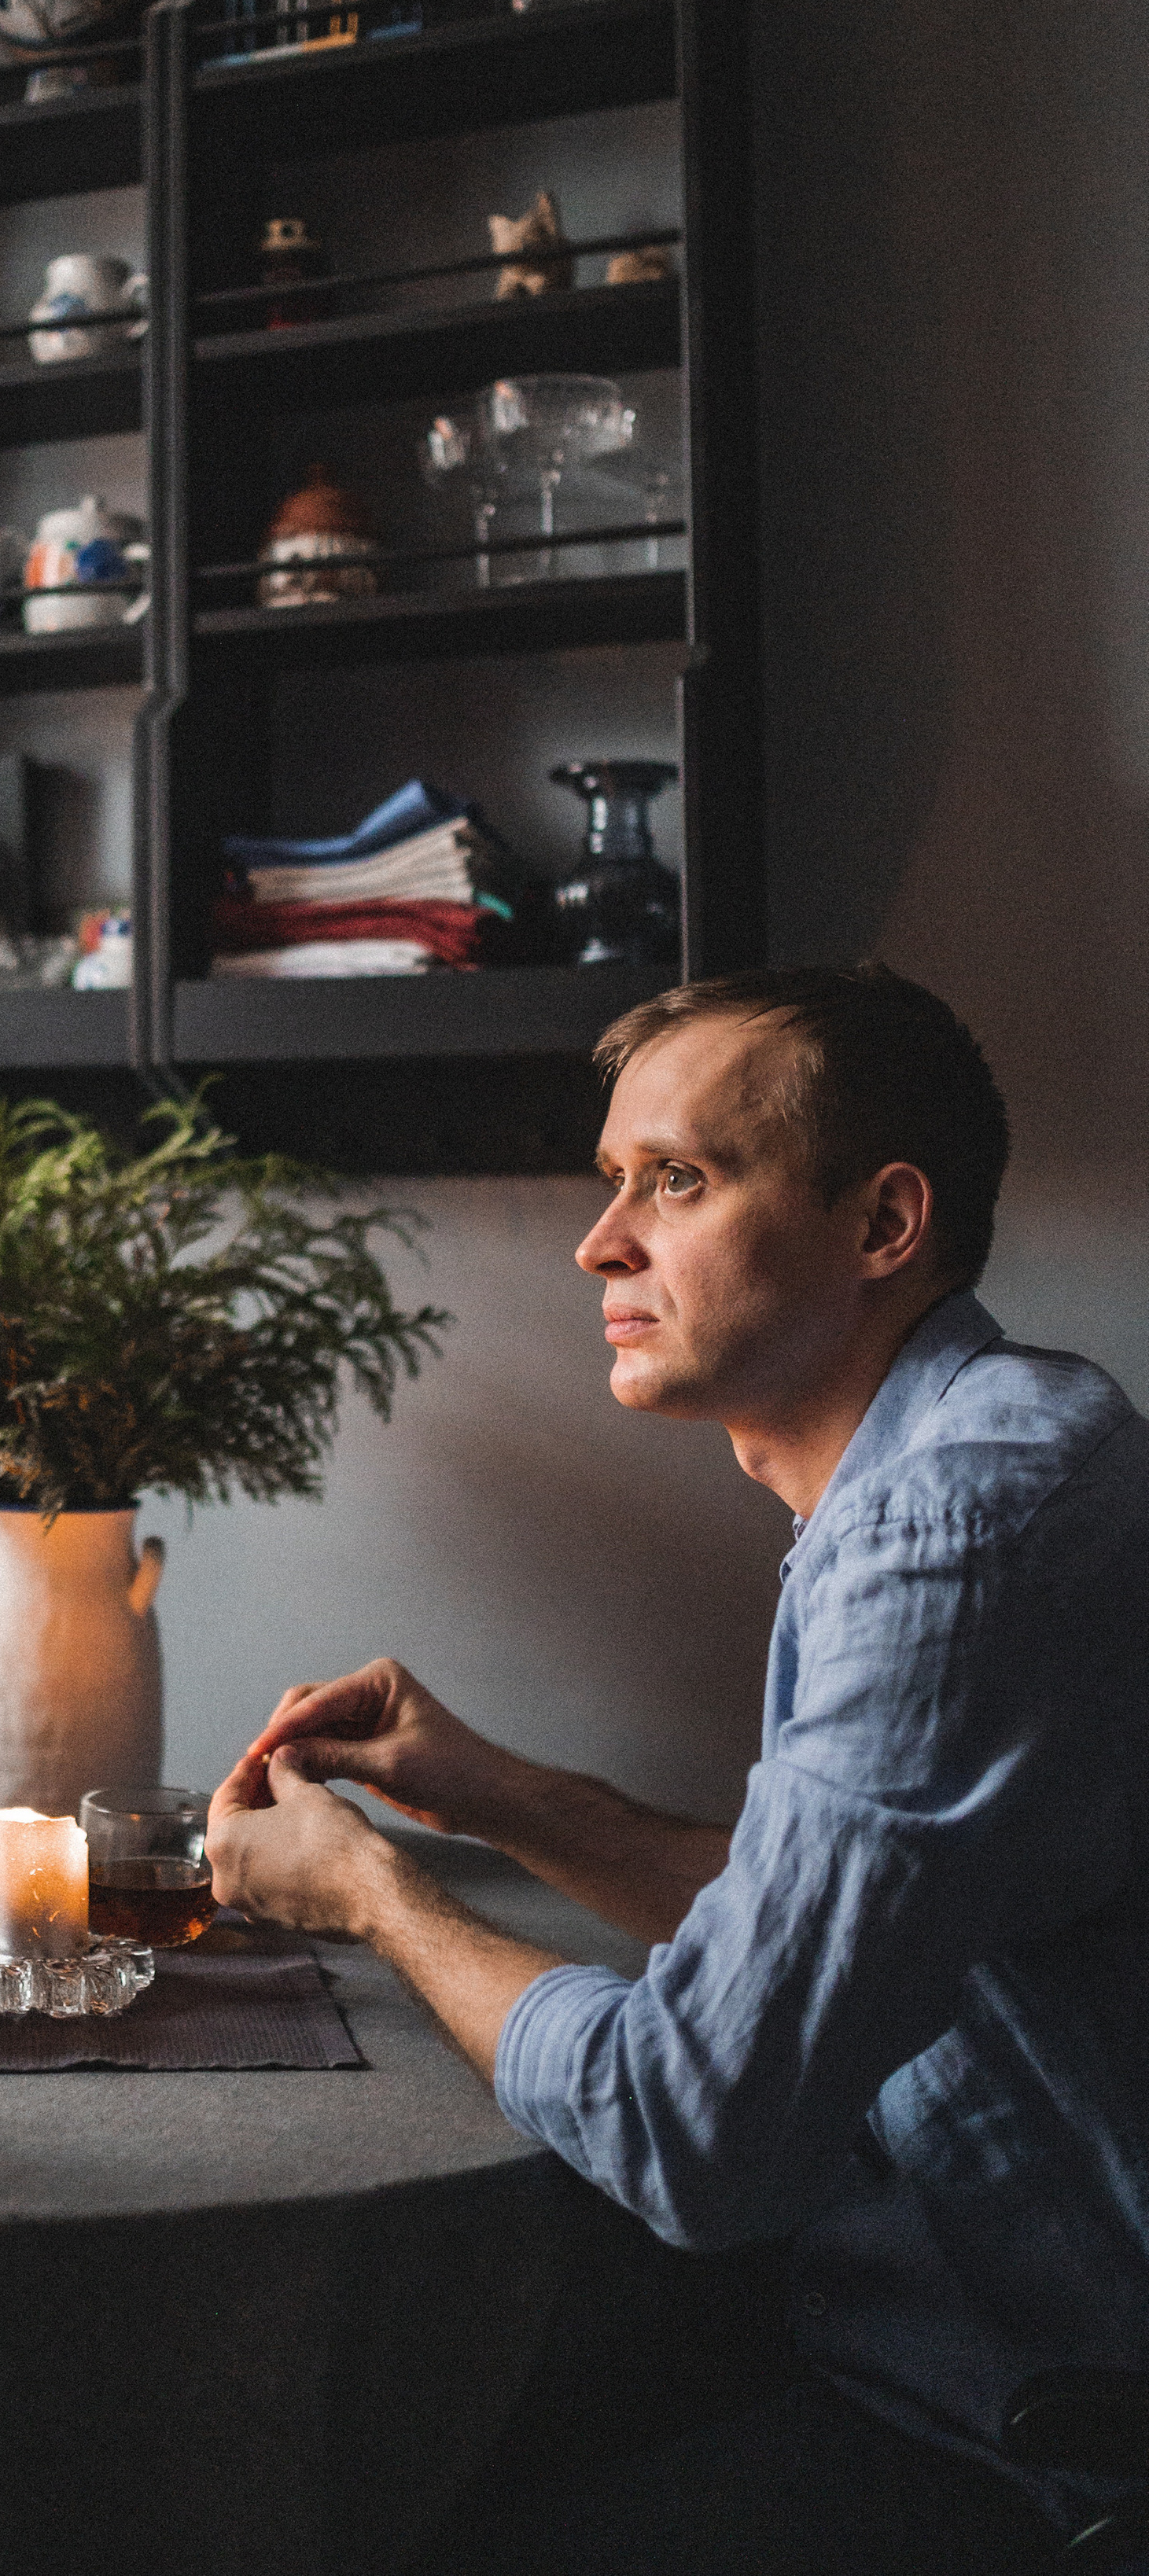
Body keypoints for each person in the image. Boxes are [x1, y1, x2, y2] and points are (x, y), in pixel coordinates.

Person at [207, 966, 1149, 2574]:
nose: (600, 1243)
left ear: (881, 1224)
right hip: (912, 2319)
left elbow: (694, 2126)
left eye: (677, 1179)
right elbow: (830, 1933)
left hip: (1028, 2421)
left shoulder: (947, 1527)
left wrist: (371, 1892)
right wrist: (494, 1788)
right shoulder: (957, 1463)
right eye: (611, 1184)